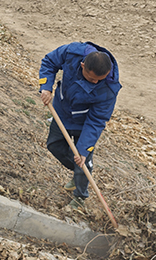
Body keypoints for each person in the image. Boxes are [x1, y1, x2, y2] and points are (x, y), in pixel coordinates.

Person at [39, 42, 121, 209]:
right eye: (91, 78)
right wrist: (46, 87)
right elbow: (49, 61)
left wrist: (84, 150)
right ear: (82, 65)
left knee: (82, 159)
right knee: (53, 145)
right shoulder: (72, 52)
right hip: (62, 111)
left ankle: (79, 197)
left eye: (99, 79)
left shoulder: (109, 88)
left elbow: (97, 120)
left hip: (84, 124)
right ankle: (79, 173)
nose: (95, 82)